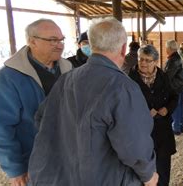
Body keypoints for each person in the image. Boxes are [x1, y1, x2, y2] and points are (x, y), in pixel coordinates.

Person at [28, 18, 158, 186]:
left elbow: (41, 120)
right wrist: (148, 175)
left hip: (61, 176)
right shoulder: (122, 87)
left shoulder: (66, 79)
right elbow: (133, 144)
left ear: (92, 46)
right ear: (123, 49)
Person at [0, 19, 72, 186]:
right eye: (52, 40)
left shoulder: (68, 69)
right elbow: (0, 127)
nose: (60, 45)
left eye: (61, 39)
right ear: (32, 41)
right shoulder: (9, 77)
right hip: (33, 162)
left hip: (68, 157)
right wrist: (15, 169)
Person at [129, 45, 177, 186]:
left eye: (147, 60)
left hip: (162, 132)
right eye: (141, 59)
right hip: (141, 133)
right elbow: (126, 106)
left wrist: (167, 109)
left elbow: (174, 96)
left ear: (155, 61)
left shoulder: (163, 76)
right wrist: (144, 113)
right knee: (143, 173)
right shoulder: (130, 78)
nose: (143, 63)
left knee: (163, 171)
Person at [165, 40, 183, 135]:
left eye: (166, 48)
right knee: (180, 107)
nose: (165, 49)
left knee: (176, 107)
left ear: (170, 49)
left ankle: (176, 128)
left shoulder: (173, 60)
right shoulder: (179, 57)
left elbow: (168, 75)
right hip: (181, 86)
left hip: (176, 87)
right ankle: (181, 126)